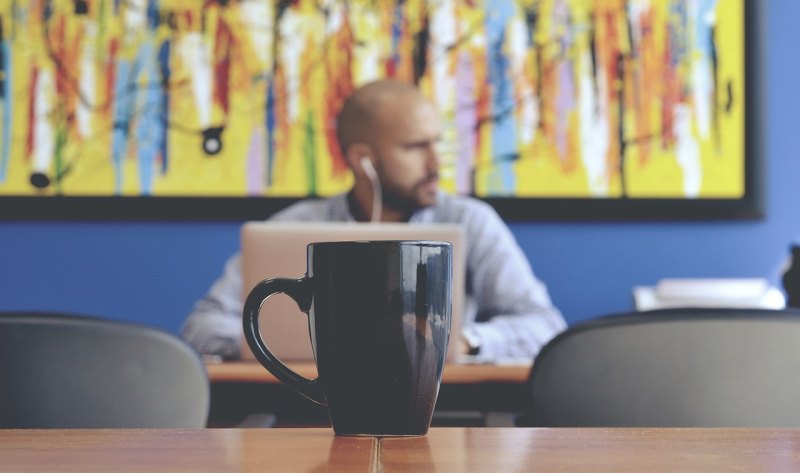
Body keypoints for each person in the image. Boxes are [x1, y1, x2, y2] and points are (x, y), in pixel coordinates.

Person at [181, 79, 566, 361]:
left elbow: (544, 326)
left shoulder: (471, 221)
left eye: (437, 143)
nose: (437, 163)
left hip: (442, 412)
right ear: (362, 158)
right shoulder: (294, 225)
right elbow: (202, 327)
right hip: (312, 405)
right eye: (416, 147)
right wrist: (266, 343)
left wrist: (463, 341)